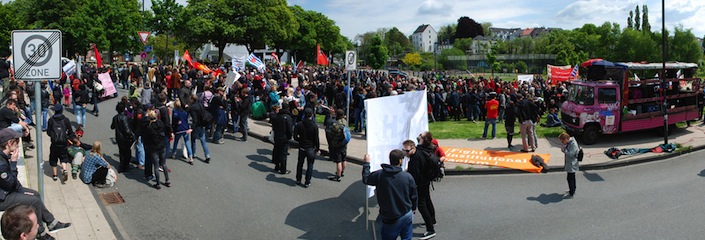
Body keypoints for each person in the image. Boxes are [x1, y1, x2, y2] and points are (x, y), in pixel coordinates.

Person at [0, 128, 71, 240]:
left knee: (36, 194)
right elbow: (9, 183)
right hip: (3, 198)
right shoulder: (2, 164)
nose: (19, 144)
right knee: (34, 201)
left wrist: (22, 190)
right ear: (9, 143)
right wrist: (13, 163)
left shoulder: (4, 157)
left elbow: (12, 183)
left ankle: (52, 223)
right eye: (17, 141)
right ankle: (41, 234)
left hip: (7, 191)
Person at [361, 151, 417, 240]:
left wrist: (367, 164)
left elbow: (366, 179)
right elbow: (414, 195)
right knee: (406, 237)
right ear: (400, 161)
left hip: (390, 217)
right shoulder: (407, 177)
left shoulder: (380, 174)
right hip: (406, 213)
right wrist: (413, 208)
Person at [403, 133, 437, 240]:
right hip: (426, 180)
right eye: (404, 150)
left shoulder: (416, 157)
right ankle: (432, 220)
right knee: (427, 200)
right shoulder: (425, 149)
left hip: (420, 183)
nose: (405, 153)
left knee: (421, 205)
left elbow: (415, 175)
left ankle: (430, 230)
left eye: (407, 151)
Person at [142, 109, 170, 189]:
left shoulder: (149, 127)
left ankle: (158, 183)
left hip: (154, 148)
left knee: (156, 166)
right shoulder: (160, 123)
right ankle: (167, 180)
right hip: (162, 146)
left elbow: (146, 137)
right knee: (164, 163)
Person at [46, 104, 74, 182]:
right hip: (64, 143)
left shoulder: (51, 120)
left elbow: (48, 132)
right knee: (63, 157)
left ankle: (55, 175)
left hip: (54, 143)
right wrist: (68, 138)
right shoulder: (66, 120)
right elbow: (70, 132)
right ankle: (64, 170)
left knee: (53, 158)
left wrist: (53, 136)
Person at [294, 108, 319, 188]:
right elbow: (316, 139)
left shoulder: (299, 124)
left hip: (302, 147)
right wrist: (317, 148)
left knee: (300, 163)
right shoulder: (314, 126)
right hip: (311, 148)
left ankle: (298, 179)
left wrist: (300, 140)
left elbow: (295, 137)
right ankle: (307, 182)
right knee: (310, 165)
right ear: (312, 115)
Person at [111, 102, 135, 173]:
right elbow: (127, 130)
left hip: (118, 137)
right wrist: (132, 135)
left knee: (121, 152)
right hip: (125, 138)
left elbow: (112, 127)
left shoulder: (115, 117)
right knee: (127, 152)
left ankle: (121, 166)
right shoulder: (124, 118)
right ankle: (126, 166)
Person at [188, 94, 211, 163]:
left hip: (197, 125)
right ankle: (207, 155)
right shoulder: (200, 104)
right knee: (203, 141)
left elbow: (194, 119)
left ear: (192, 99)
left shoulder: (192, 107)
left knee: (193, 140)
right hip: (202, 124)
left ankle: (193, 153)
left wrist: (192, 128)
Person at [169, 99, 194, 164]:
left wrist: (173, 129)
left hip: (178, 128)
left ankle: (173, 153)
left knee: (176, 141)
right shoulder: (184, 112)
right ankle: (191, 157)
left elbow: (174, 121)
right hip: (185, 128)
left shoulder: (175, 111)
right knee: (187, 142)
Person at [327, 109, 348, 182]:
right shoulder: (345, 122)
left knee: (338, 161)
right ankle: (342, 172)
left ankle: (338, 176)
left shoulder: (335, 125)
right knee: (344, 159)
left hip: (337, 144)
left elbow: (331, 135)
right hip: (344, 143)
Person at [271, 103, 293, 174]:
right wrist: (289, 137)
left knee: (277, 152)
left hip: (277, 136)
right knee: (283, 154)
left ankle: (277, 166)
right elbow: (289, 129)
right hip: (284, 137)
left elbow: (274, 125)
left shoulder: (277, 115)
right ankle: (283, 169)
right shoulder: (288, 117)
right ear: (288, 108)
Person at [559, 132, 579, 198]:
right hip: (570, 163)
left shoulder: (573, 144)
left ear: (566, 139)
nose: (562, 143)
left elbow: (570, 154)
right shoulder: (569, 143)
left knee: (570, 178)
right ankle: (572, 189)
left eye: (562, 141)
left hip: (572, 164)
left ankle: (572, 191)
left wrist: (564, 149)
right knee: (571, 177)